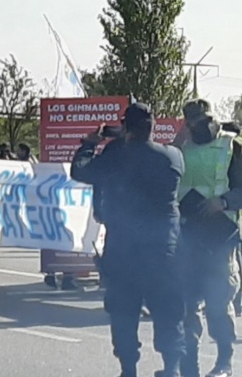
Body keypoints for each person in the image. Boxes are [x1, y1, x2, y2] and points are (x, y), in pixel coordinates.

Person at [71, 103, 185, 377]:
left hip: (125, 248)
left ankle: (129, 368)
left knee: (124, 313)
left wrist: (90, 144)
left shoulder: (117, 156)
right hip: (164, 247)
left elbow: (80, 171)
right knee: (168, 311)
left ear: (126, 128)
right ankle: (171, 367)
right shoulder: (173, 156)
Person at [174, 99, 242, 377]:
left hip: (219, 235)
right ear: (188, 124)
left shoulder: (234, 147)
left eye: (206, 121)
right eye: (195, 123)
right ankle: (189, 367)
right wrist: (175, 145)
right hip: (187, 233)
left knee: (217, 301)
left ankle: (224, 359)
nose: (203, 127)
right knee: (186, 304)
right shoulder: (181, 147)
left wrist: (224, 201)